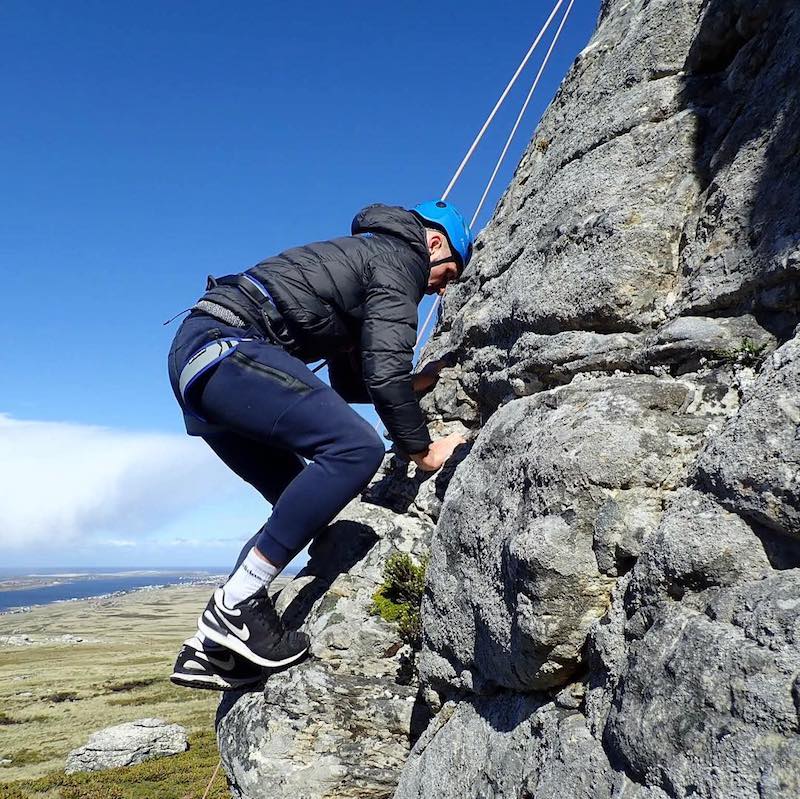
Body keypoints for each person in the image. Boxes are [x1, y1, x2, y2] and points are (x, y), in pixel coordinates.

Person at [167, 201, 472, 690]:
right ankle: (237, 604)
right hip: (229, 348)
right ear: (434, 244)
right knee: (357, 448)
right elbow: (382, 373)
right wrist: (425, 451)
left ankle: (211, 651)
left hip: (204, 363)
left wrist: (412, 385)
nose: (445, 286)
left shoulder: (365, 261)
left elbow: (357, 381)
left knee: (304, 499)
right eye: (450, 272)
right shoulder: (399, 261)